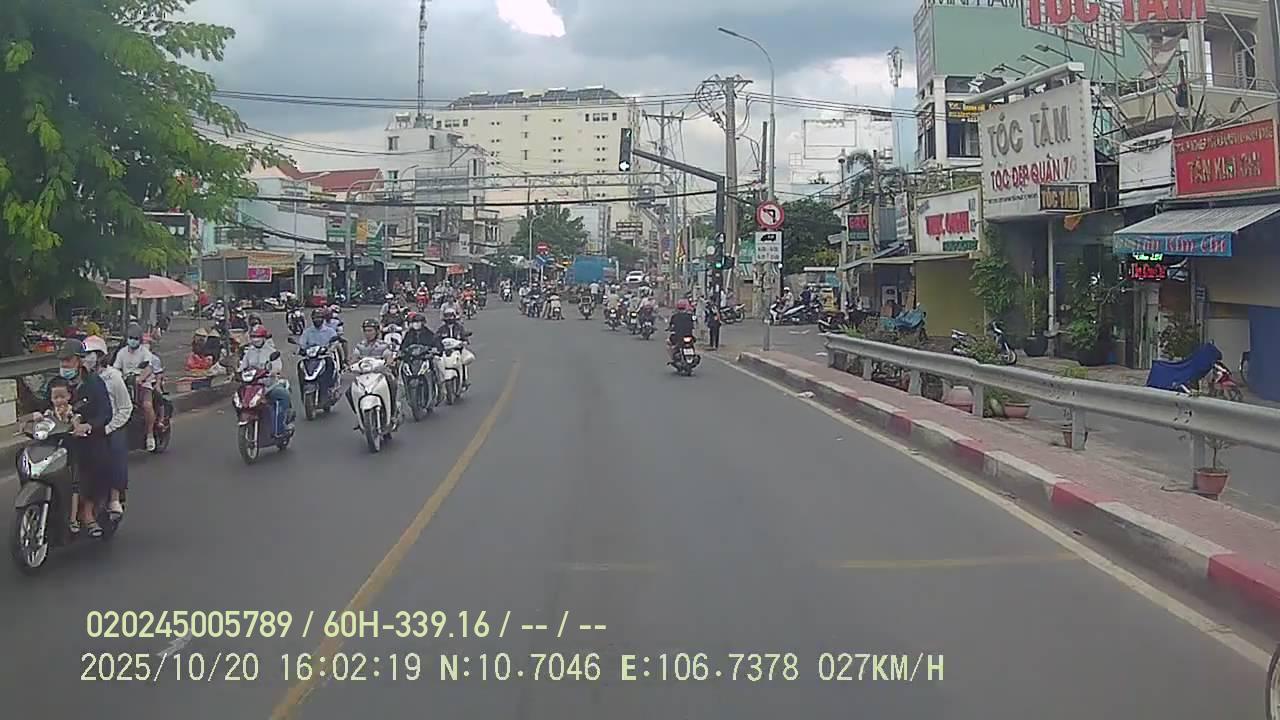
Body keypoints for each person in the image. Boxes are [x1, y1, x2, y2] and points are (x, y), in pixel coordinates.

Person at [58, 340, 113, 537]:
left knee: (93, 465)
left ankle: (88, 513)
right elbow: (43, 403)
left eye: (68, 360)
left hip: (89, 438)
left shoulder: (94, 383)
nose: (64, 365)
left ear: (79, 361)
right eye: (62, 361)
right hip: (62, 436)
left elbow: (106, 413)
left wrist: (89, 426)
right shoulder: (58, 383)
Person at [83, 335, 131, 520]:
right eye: (85, 354)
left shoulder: (113, 377)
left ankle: (114, 497)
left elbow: (125, 408)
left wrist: (109, 428)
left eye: (92, 354)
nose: (88, 358)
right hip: (89, 424)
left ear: (101, 356)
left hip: (112, 425)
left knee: (115, 452)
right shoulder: (84, 379)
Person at [113, 323, 163, 451]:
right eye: (130, 338)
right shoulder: (121, 353)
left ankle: (150, 435)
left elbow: (149, 368)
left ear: (139, 339)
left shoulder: (145, 352)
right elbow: (116, 368)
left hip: (143, 384)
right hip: (125, 384)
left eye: (135, 338)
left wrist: (140, 379)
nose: (132, 340)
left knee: (147, 405)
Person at [240, 326, 294, 435]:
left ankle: (280, 428)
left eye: (258, 337)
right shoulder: (249, 352)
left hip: (269, 386)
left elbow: (277, 366)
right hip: (252, 387)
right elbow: (242, 367)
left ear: (264, 338)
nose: (255, 339)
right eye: (253, 337)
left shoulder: (271, 351)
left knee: (283, 395)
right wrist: (239, 373)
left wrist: (273, 371)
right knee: (238, 399)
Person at [350, 318, 402, 421]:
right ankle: (360, 415)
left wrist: (389, 362)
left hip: (381, 374)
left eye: (370, 330)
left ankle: (392, 413)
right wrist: (351, 366)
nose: (368, 333)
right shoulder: (360, 346)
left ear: (377, 331)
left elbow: (389, 357)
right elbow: (354, 359)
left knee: (392, 385)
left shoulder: (383, 345)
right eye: (366, 331)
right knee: (349, 392)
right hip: (363, 376)